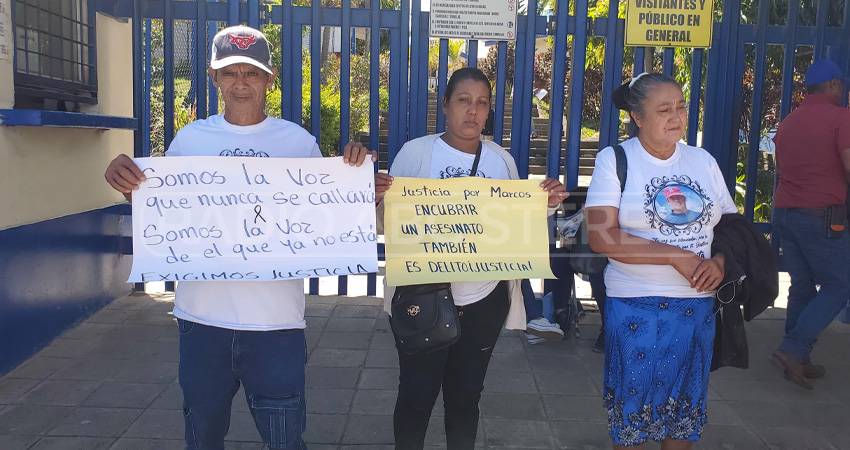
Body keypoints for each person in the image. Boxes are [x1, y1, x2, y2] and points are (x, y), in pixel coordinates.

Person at [104, 25, 376, 450]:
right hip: (201, 323)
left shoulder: (297, 142)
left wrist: (359, 183)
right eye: (230, 72)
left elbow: (327, 214)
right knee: (203, 439)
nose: (241, 83)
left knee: (286, 442)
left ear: (269, 79)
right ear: (214, 78)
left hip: (277, 326)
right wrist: (124, 179)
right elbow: (157, 201)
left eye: (251, 72)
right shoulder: (191, 140)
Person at [374, 67, 568, 450]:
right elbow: (389, 223)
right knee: (416, 396)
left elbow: (514, 221)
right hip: (421, 297)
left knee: (466, 399)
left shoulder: (502, 161)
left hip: (484, 300)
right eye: (464, 100)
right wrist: (377, 198)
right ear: (445, 104)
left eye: (482, 103)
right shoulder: (416, 154)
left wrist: (545, 205)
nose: (473, 111)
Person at [585, 72, 737, 449]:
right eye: (664, 109)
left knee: (684, 414)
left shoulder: (702, 161)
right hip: (637, 307)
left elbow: (733, 227)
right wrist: (675, 257)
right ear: (637, 117)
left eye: (681, 106)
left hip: (697, 307)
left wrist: (719, 261)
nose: (676, 116)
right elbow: (601, 235)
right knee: (633, 412)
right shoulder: (615, 160)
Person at [770, 59, 850, 389]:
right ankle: (793, 347)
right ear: (833, 85)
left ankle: (797, 358)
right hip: (821, 215)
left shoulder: (789, 121)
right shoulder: (841, 118)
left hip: (786, 213)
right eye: (841, 85)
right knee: (839, 285)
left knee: (802, 284)